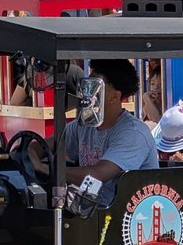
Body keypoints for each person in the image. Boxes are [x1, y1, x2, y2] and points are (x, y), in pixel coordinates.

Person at [31, 59, 158, 207]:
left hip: (126, 217)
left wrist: (45, 168)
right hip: (90, 212)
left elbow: (97, 175)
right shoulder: (84, 124)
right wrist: (31, 154)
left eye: (94, 88)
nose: (86, 94)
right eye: (86, 87)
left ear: (115, 97)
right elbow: (45, 145)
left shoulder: (133, 133)